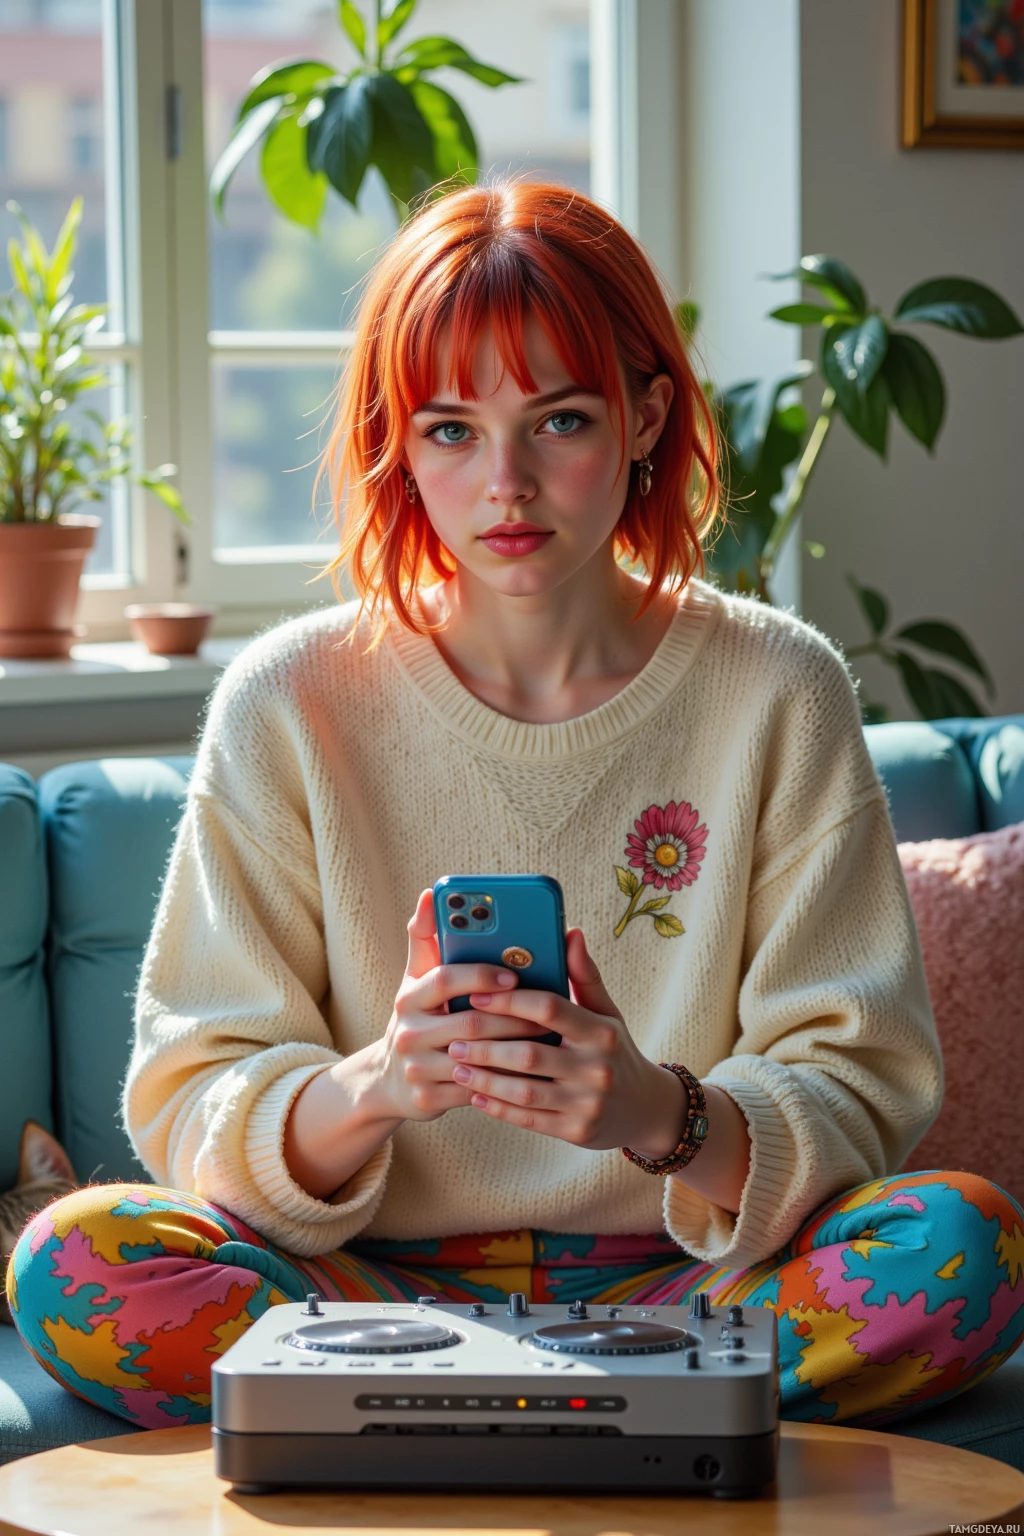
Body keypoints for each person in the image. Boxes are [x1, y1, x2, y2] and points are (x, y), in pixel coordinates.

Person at [7, 177, 1023, 1435]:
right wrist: (380, 1082)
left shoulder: (779, 689)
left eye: (559, 420)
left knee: (961, 1243)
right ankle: (620, 1419)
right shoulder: (290, 700)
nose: (506, 484)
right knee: (78, 1262)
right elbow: (191, 1092)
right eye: (448, 429)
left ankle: (418, 1424)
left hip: (697, 1277)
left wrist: (656, 1110)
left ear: (646, 414)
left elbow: (860, 1081)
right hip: (362, 1285)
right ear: (396, 438)